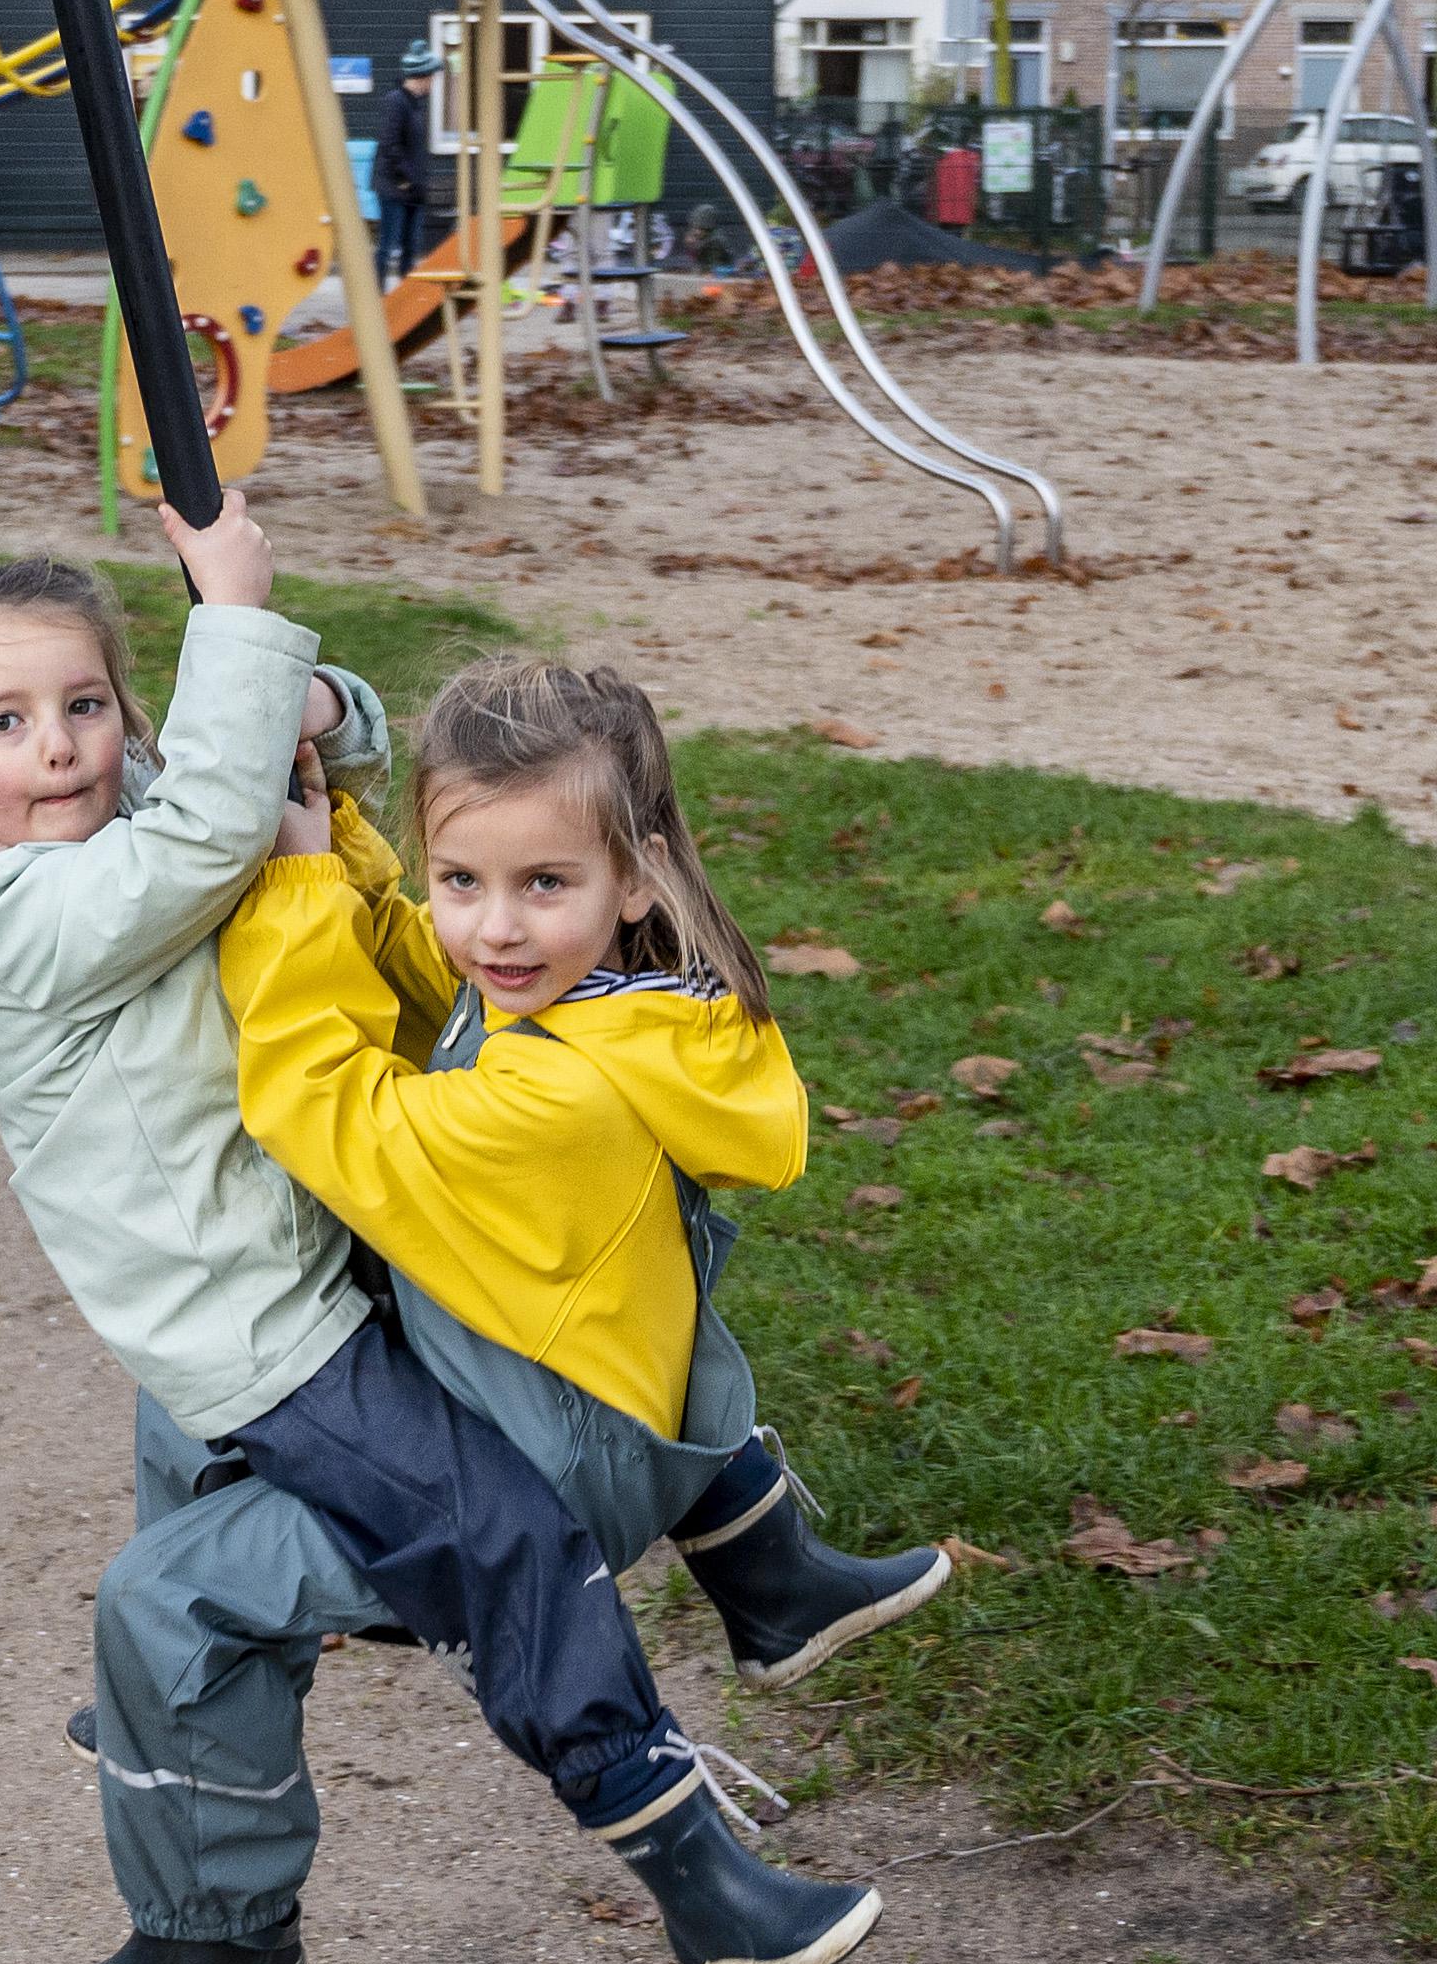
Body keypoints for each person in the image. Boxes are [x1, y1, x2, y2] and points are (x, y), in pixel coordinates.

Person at [0, 519, 874, 1964]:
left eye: (89, 707)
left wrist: (317, 709)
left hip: (308, 1259)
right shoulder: (2, 917)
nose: (62, 749)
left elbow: (307, 756)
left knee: (552, 1318)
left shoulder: (143, 816)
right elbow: (205, 840)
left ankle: (761, 1571)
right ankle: (679, 1861)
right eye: (6, 722)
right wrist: (238, 621)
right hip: (270, 1329)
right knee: (490, 1524)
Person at [222, 648, 951, 1685]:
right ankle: (776, 1592)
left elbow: (327, 1108)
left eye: (542, 882)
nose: (496, 925)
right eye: (458, 877)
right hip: (623, 1407)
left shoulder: (562, 1089)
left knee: (218, 1405)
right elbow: (418, 960)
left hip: (546, 1472)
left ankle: (190, 1683)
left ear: (636, 876)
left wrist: (290, 894)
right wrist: (332, 835)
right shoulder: (612, 990)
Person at [375, 37, 445, 287]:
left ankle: (404, 297)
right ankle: (375, 296)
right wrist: (406, 179)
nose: (434, 83)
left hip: (414, 189)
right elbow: (389, 144)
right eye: (433, 78)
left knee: (410, 247)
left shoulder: (415, 105)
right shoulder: (396, 101)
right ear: (423, 76)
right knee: (388, 245)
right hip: (396, 187)